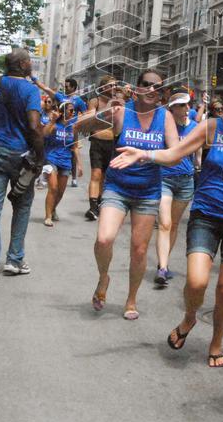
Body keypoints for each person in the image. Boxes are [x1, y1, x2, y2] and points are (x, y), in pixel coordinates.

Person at [111, 76, 223, 364]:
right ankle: (190, 317)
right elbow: (174, 153)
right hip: (205, 216)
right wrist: (144, 153)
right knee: (197, 282)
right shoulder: (212, 127)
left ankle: (216, 343)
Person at [77, 69, 179, 320]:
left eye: (157, 86)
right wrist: (105, 112)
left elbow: (175, 153)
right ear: (137, 88)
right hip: (118, 187)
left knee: (139, 250)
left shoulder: (165, 117)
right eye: (146, 84)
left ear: (162, 93)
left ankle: (131, 299)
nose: (151, 90)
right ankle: (104, 278)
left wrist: (148, 156)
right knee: (104, 239)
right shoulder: (123, 111)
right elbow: (79, 128)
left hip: (147, 192)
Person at [0, 49, 44, 281]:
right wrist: (40, 154)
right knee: (22, 206)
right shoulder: (30, 90)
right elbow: (35, 126)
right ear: (22, 65)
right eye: (29, 62)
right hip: (22, 156)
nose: (31, 65)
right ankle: (14, 260)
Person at [154, 91, 200, 285]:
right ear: (171, 109)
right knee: (164, 223)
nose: (186, 108)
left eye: (187, 104)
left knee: (172, 225)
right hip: (164, 178)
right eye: (181, 105)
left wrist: (199, 167)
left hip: (185, 181)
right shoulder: (165, 126)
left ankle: (163, 262)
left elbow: (198, 157)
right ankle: (163, 268)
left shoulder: (196, 127)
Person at [84, 76, 119, 220]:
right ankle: (92, 207)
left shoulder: (118, 102)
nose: (114, 88)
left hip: (112, 144)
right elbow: (91, 121)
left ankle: (99, 203)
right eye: (110, 86)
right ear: (103, 87)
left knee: (105, 177)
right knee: (96, 174)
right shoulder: (95, 101)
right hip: (97, 143)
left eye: (116, 86)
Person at [42, 99, 78, 227]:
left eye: (74, 110)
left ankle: (52, 208)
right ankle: (48, 216)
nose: (73, 112)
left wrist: (78, 166)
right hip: (51, 159)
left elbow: (74, 147)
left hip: (66, 161)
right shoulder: (54, 125)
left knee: (61, 192)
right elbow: (44, 133)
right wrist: (52, 120)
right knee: (53, 187)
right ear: (63, 112)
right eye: (71, 110)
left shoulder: (73, 128)